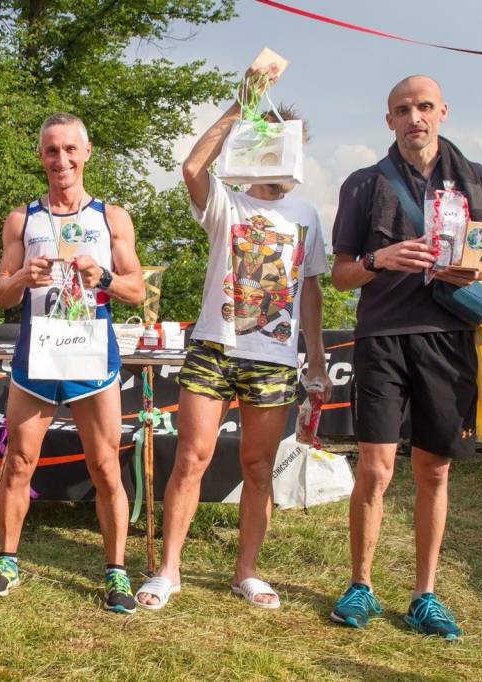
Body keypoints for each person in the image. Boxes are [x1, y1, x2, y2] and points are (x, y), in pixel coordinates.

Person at [135, 65, 330, 612]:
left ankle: (246, 570)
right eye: (262, 138)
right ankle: (168, 570)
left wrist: (315, 359)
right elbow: (192, 165)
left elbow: (310, 289)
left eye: (285, 143)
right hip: (214, 347)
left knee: (257, 468)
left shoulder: (307, 213)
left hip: (272, 357)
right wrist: (240, 105)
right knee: (191, 458)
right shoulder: (227, 199)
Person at [329, 75, 482, 640]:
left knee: (433, 470)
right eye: (403, 109)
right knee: (377, 468)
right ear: (389, 121)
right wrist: (379, 259)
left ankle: (423, 595)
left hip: (448, 337)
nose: (415, 117)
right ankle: (360, 584)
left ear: (443, 112)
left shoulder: (479, 180)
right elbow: (340, 276)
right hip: (382, 336)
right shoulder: (363, 184)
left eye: (425, 107)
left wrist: (476, 272)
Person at [0, 113, 145, 613]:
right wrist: (23, 279)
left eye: (70, 149)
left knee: (105, 466)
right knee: (20, 462)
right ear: (41, 157)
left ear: (86, 153)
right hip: (38, 354)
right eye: (52, 151)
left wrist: (105, 279)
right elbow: (1, 295)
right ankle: (7, 560)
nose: (61, 160)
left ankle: (116, 570)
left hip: (92, 356)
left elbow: (138, 291)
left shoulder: (110, 217)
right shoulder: (21, 219)